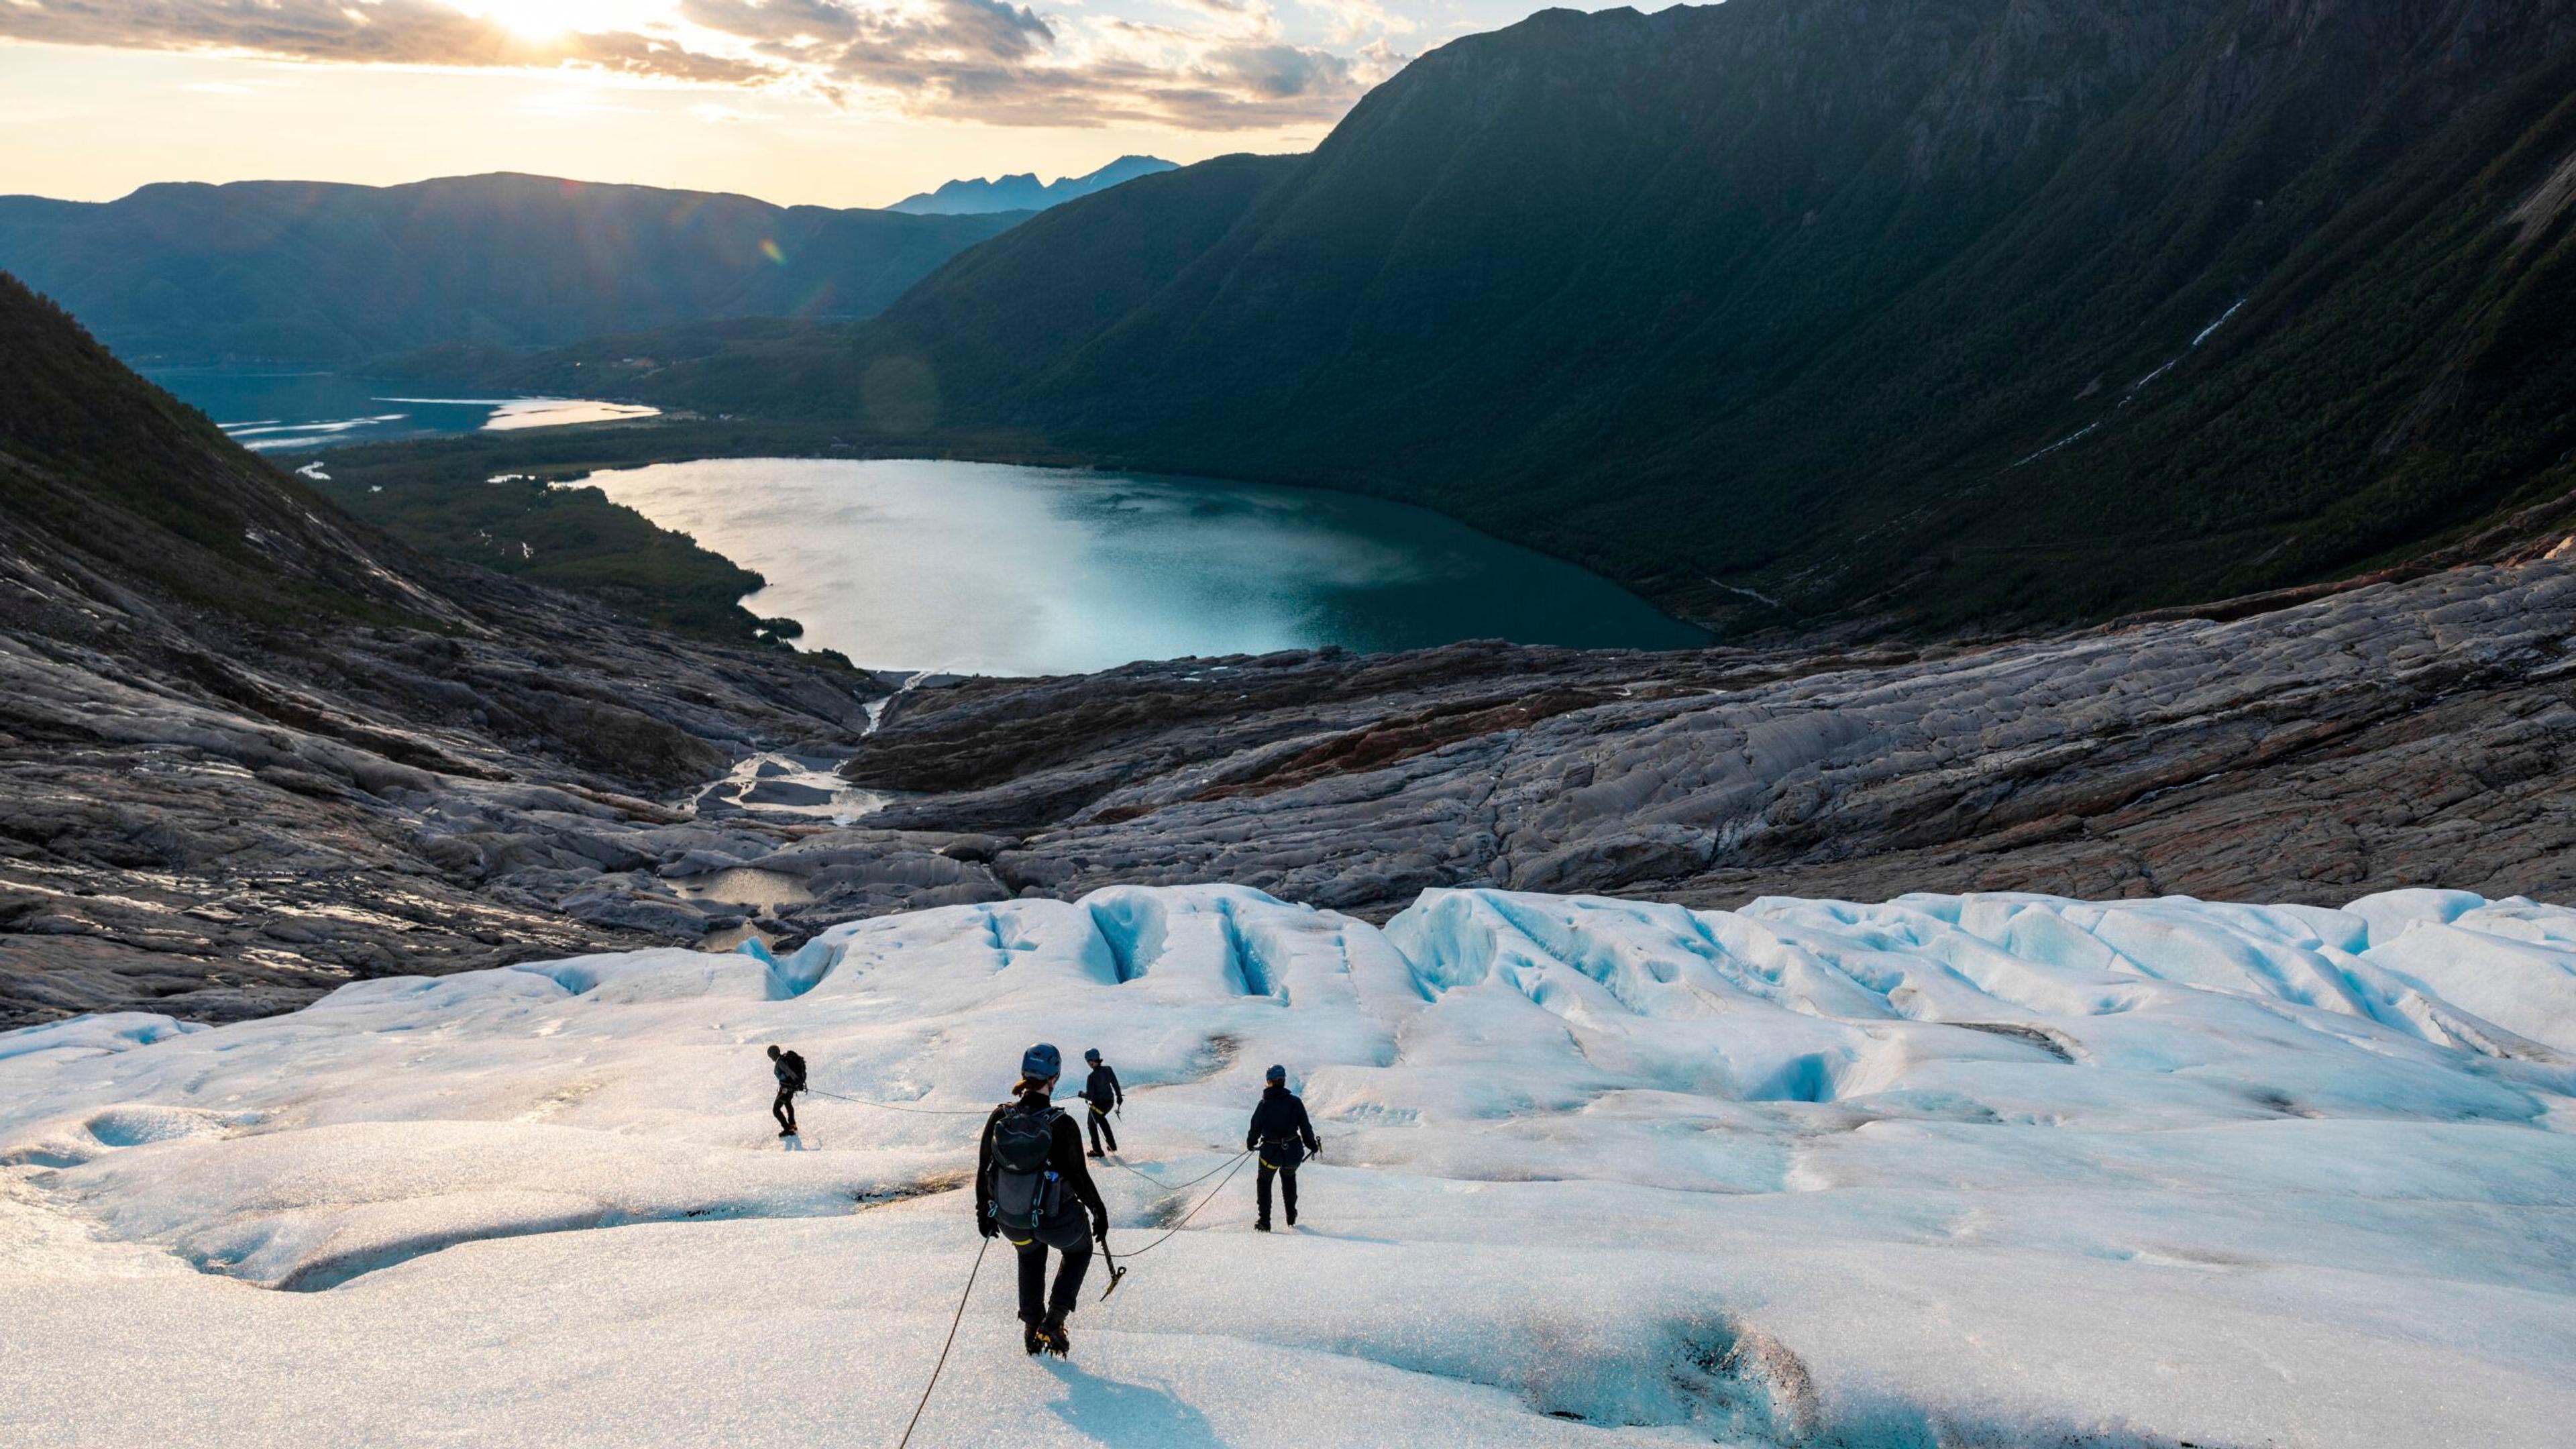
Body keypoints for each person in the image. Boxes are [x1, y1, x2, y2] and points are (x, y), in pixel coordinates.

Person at [976, 1042, 1110, 1356]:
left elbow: (984, 1169)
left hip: (1012, 1220)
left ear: (1025, 1074)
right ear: (1055, 1077)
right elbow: (1079, 1178)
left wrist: (984, 1212)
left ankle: (1031, 1326)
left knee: (1030, 1255)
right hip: (1056, 1222)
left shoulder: (1000, 1116)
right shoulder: (1061, 1124)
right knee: (1080, 1251)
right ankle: (1055, 1320)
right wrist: (1099, 1212)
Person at [1245, 1063, 1319, 1232]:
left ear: (1269, 1081)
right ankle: (1291, 1217)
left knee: (1264, 1182)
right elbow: (1305, 1127)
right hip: (1293, 1153)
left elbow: (1255, 1127)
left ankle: (1264, 1222)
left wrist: (1251, 1142)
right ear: (1284, 1080)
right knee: (1289, 1178)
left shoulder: (1264, 1104)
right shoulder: (1295, 1102)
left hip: (1270, 1154)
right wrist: (1312, 1145)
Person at [1079, 1047, 1123, 1159]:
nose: (1089, 1064)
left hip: (1097, 1105)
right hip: (1109, 1103)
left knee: (1091, 1124)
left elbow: (1089, 1096)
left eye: (1090, 1061)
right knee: (1101, 1119)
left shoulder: (1092, 1077)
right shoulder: (1108, 1069)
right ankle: (1112, 1145)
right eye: (1088, 1061)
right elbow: (1115, 1084)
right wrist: (1119, 1097)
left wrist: (1081, 1094)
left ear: (1094, 1060)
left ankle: (1097, 1150)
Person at [767, 1043, 806, 1137]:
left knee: (776, 1110)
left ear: (774, 1053)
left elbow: (790, 1072)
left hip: (786, 1089)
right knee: (788, 1104)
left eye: (770, 1055)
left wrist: (797, 1082)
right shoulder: (782, 1060)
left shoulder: (781, 1062)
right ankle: (793, 1126)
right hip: (790, 1089)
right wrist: (797, 1084)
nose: (771, 1057)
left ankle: (787, 1129)